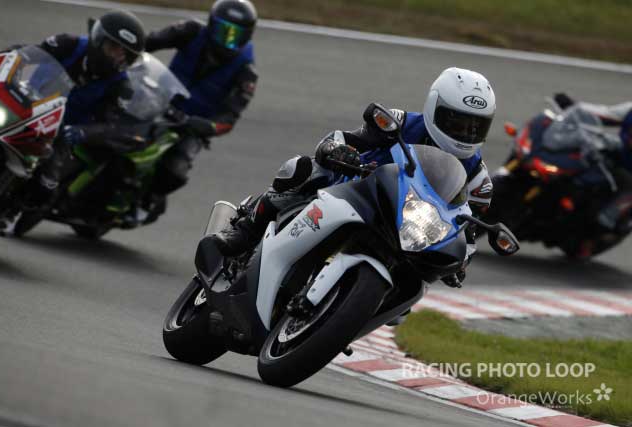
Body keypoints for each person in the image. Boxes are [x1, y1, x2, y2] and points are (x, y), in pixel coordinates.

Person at [211, 67, 496, 287]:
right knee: (302, 169)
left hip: (407, 229)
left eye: (476, 127)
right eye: (457, 123)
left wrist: (461, 261)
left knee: (418, 279)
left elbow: (468, 230)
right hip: (355, 192)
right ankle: (247, 229)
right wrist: (337, 150)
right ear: (435, 108)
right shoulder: (400, 123)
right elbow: (345, 138)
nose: (465, 134)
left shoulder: (477, 178)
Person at [20, 10, 146, 213]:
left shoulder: (120, 86)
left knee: (46, 185)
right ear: (98, 39)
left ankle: (14, 214)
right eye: (113, 48)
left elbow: (110, 125)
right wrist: (4, 60)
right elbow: (27, 56)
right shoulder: (67, 44)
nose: (117, 57)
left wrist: (81, 132)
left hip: (58, 133)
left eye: (125, 54)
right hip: (26, 105)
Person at [143, 0, 258, 209]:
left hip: (190, 125)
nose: (227, 41)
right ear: (211, 25)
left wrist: (207, 126)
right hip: (157, 100)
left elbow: (230, 117)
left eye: (234, 36)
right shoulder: (190, 31)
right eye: (223, 32)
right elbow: (149, 41)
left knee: (175, 170)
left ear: (247, 36)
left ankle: (149, 199)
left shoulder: (246, 72)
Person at [554, 93, 632, 257]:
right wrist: (573, 108)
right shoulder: (629, 110)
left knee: (608, 215)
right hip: (616, 157)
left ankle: (592, 239)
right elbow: (604, 113)